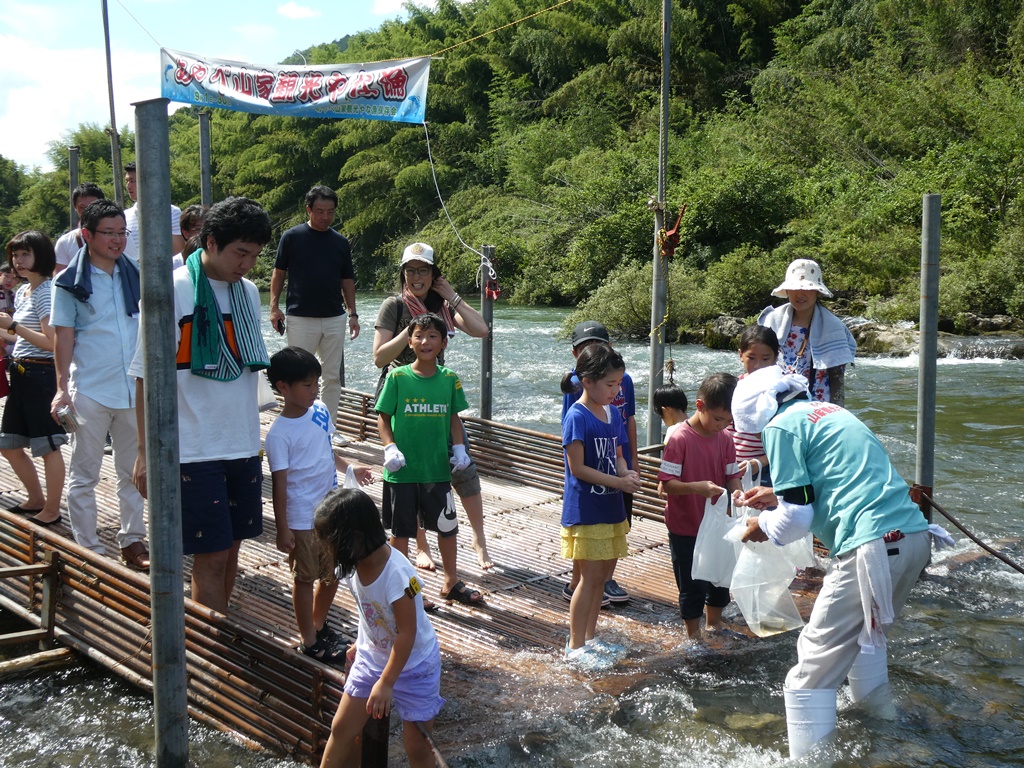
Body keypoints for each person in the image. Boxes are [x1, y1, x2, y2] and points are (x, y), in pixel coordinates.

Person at [731, 364, 933, 759]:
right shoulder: (831, 411)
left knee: (808, 676)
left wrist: (762, 523)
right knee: (867, 639)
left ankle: (810, 761)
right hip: (912, 538)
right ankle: (883, 732)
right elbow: (837, 481)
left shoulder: (781, 428)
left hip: (871, 549)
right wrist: (776, 496)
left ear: (754, 415)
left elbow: (795, 521)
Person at [131, 196, 272, 613]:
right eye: (240, 253)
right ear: (210, 242)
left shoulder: (247, 292)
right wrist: (144, 452)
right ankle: (208, 647)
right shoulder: (170, 291)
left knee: (231, 550)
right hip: (194, 448)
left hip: (243, 441)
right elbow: (143, 376)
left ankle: (218, 629)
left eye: (255, 255)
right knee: (208, 555)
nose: (247, 264)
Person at [372, 242, 493, 571]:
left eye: (423, 270)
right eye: (410, 271)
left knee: (462, 465)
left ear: (433, 274)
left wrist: (451, 296)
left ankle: (480, 539)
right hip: (401, 395)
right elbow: (379, 357)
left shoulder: (442, 305)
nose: (416, 277)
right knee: (412, 471)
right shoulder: (393, 306)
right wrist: (410, 331)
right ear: (403, 274)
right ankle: (422, 545)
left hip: (438, 396)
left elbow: (482, 329)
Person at [51, 199, 149, 569]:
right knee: (85, 472)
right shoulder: (69, 283)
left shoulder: (136, 273)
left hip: (133, 389)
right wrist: (61, 387)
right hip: (90, 388)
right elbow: (63, 336)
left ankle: (132, 541)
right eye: (109, 233)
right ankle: (88, 546)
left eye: (122, 232)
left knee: (133, 471)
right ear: (87, 235)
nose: (117, 240)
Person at [314, 487, 443, 768]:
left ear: (355, 537)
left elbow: (407, 633)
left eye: (331, 543)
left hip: (415, 665)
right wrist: (321, 628)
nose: (329, 551)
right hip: (372, 659)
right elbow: (330, 586)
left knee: (417, 747)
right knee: (342, 729)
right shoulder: (349, 561)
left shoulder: (398, 573)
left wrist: (386, 683)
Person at [264, 346, 373, 662]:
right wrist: (283, 529)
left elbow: (326, 450)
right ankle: (309, 640)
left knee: (334, 572)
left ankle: (318, 623)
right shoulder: (278, 435)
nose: (314, 391)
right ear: (283, 388)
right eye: (306, 385)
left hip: (331, 511)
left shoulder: (321, 411)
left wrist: (350, 468)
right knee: (305, 577)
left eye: (316, 384)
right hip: (301, 519)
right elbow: (280, 486)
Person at [375, 312, 483, 606]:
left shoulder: (449, 379)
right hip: (403, 472)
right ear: (409, 341)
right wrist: (390, 448)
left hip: (437, 471)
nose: (426, 341)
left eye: (433, 335)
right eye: (419, 336)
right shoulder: (397, 377)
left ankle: (451, 581)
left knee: (447, 528)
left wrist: (459, 449)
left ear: (444, 342)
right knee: (401, 533)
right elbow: (383, 418)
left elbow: (453, 419)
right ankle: (406, 590)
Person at [560, 342, 641, 669]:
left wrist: (627, 474)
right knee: (588, 579)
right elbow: (577, 468)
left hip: (611, 508)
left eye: (619, 384)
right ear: (587, 381)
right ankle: (575, 644)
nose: (616, 390)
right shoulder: (576, 416)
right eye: (610, 384)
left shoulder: (612, 413)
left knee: (601, 580)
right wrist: (619, 482)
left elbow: (619, 456)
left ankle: (590, 637)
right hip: (587, 510)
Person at [656, 372, 743, 641]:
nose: (722, 425)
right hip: (686, 525)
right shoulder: (680, 438)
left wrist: (739, 494)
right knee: (692, 583)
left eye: (728, 421)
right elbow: (666, 484)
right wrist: (698, 487)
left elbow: (732, 476)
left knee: (719, 578)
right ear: (700, 406)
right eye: (718, 419)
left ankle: (714, 624)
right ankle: (693, 635)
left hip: (717, 524)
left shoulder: (726, 438)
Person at [269, 185, 359, 428]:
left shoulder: (340, 242)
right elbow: (278, 274)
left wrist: (353, 313)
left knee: (332, 376)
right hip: (300, 316)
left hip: (334, 316)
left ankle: (328, 427)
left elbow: (347, 280)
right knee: (298, 374)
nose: (325, 217)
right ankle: (297, 423)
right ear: (308, 209)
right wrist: (274, 308)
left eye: (330, 212)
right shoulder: (292, 237)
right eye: (319, 211)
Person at [0, 231, 66, 525]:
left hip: (41, 373)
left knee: (48, 446)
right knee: (9, 443)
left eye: (25, 254)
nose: (19, 261)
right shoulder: (27, 290)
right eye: (15, 255)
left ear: (41, 256)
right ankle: (36, 499)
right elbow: (21, 338)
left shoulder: (46, 291)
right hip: (23, 372)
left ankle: (52, 509)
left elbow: (53, 342)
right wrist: (8, 330)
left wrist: (13, 326)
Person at [758, 258, 856, 406]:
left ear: (817, 292)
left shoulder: (833, 327)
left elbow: (837, 378)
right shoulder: (772, 320)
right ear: (787, 291)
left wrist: (838, 412)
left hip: (817, 407)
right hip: (776, 401)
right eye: (795, 288)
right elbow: (758, 363)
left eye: (807, 289)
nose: (800, 294)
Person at [726, 325, 780, 486]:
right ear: (740, 355)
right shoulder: (730, 388)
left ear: (776, 357)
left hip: (766, 470)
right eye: (751, 358)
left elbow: (787, 443)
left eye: (765, 359)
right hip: (731, 467)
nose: (758, 366)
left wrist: (760, 462)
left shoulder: (781, 393)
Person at [121, 162, 185, 260]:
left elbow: (178, 251)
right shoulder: (124, 216)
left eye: (133, 181)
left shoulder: (171, 212)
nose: (128, 186)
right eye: (127, 181)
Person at [54, 183, 105, 270]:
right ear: (75, 207)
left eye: (92, 206)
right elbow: (59, 279)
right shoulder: (65, 242)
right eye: (82, 207)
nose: (88, 211)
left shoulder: (118, 236)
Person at [173, 204, 207, 269]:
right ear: (186, 233)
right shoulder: (174, 265)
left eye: (207, 228)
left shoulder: (218, 263)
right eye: (198, 229)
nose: (205, 233)